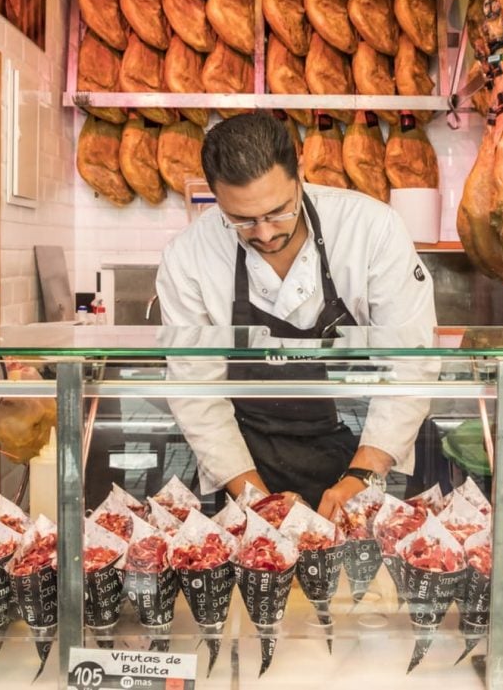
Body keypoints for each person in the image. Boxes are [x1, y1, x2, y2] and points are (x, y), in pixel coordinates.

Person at [156, 112, 438, 518]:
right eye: (243, 220)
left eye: (278, 212)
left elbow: (410, 365)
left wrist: (362, 477)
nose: (266, 233)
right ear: (216, 198)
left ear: (300, 171)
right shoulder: (188, 257)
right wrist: (257, 500)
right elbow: (195, 390)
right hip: (247, 459)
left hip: (361, 446)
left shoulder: (370, 229)